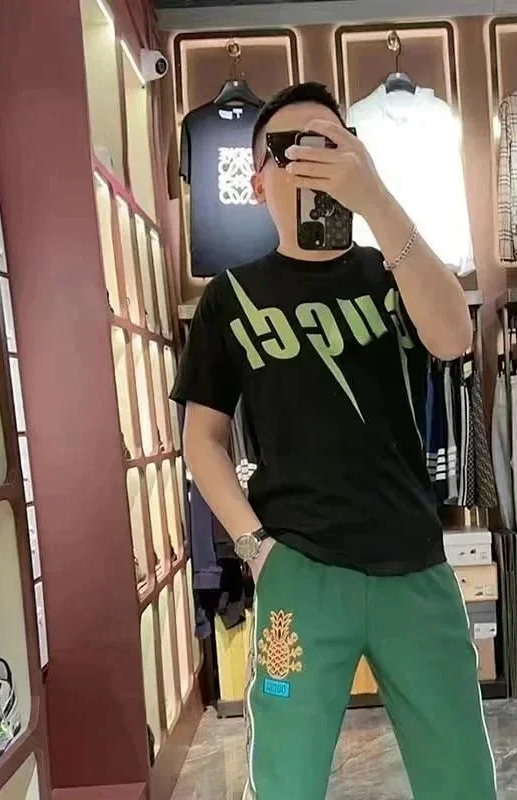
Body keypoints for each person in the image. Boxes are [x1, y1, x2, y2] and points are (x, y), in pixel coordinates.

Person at [171, 82, 497, 800]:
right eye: (291, 149)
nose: (312, 160)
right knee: (286, 783)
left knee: (462, 781)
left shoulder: (392, 273)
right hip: (300, 573)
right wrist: (256, 548)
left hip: (414, 567)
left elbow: (454, 335)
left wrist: (375, 198)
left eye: (330, 142)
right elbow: (202, 440)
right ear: (258, 182)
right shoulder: (230, 297)